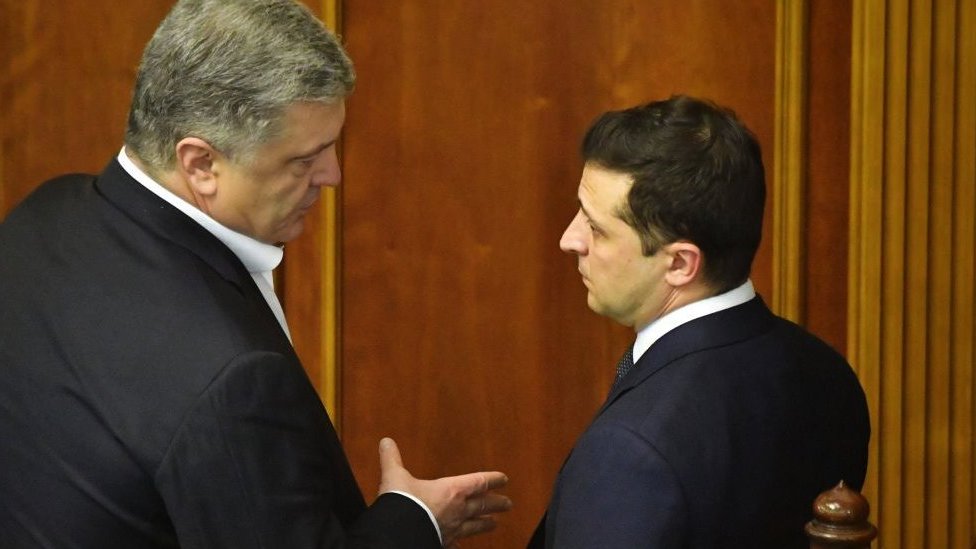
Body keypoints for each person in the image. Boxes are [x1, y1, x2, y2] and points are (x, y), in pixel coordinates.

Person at [0, 1, 510, 547]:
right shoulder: (232, 380)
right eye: (303, 160)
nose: (332, 175)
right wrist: (415, 519)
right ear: (201, 164)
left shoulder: (45, 215)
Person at [528, 95, 870, 548]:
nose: (569, 239)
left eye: (596, 228)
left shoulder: (629, 452)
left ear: (680, 264)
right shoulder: (829, 374)